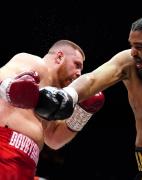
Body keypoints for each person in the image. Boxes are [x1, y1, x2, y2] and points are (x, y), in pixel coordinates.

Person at [40, 14, 142, 179]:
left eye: (140, 46)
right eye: (131, 45)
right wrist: (67, 94)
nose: (133, 52)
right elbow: (93, 79)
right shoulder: (129, 62)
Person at [0, 40, 105, 180]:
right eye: (77, 65)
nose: (79, 73)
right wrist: (9, 87)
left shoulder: (56, 100)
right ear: (59, 57)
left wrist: (84, 112)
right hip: (4, 148)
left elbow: (54, 140)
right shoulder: (35, 63)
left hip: (27, 163)